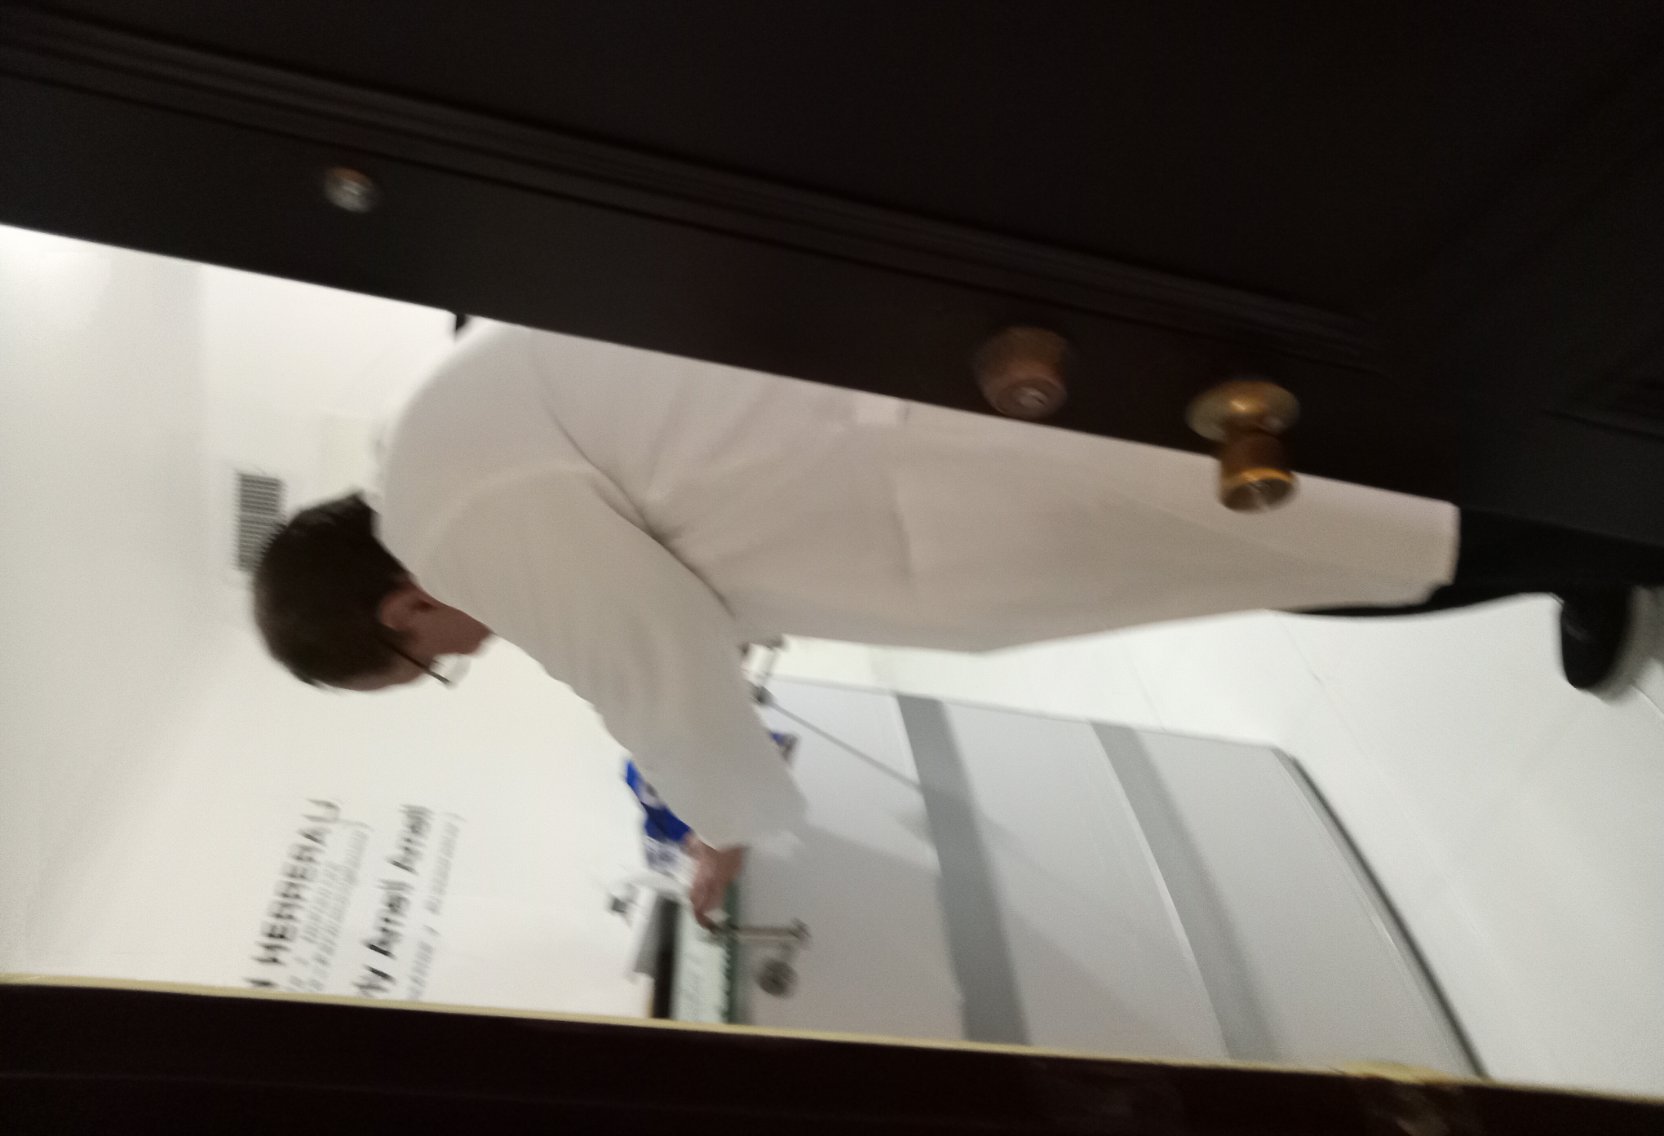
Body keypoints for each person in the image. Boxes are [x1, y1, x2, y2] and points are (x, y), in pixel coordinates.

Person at [254, 321, 1663, 922]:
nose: (467, 652)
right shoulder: (439, 436)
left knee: (1340, 536)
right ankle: (1584, 548)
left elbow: (645, 659)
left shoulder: (451, 514)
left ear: (402, 609)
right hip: (918, 451)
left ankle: (1606, 532)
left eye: (428, 667)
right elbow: (671, 582)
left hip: (958, 486)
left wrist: (718, 825)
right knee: (1334, 533)